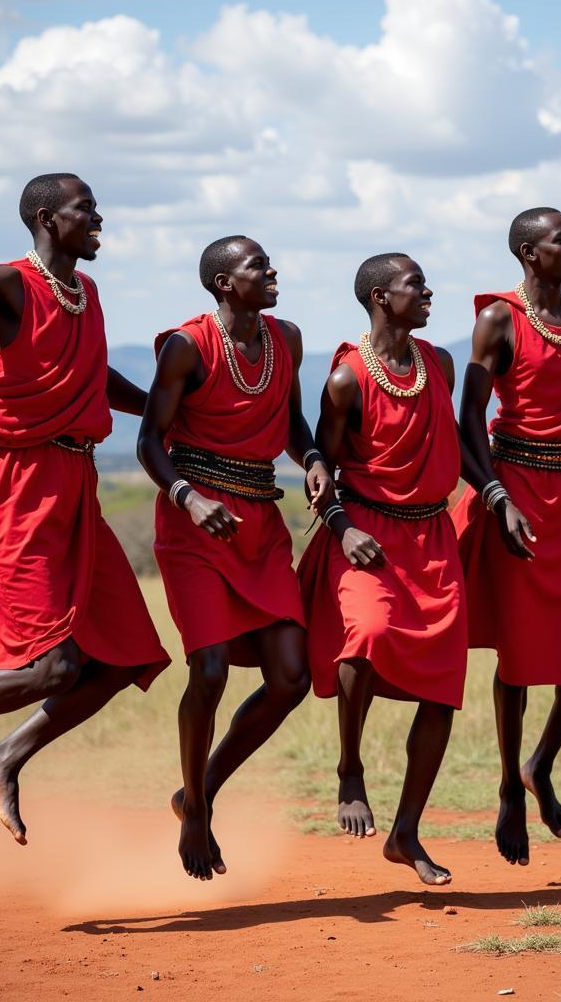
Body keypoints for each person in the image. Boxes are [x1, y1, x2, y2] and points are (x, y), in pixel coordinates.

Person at [0, 138, 170, 845]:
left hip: (76, 483)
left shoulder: (87, 292)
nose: (99, 219)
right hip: (13, 485)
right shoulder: (8, 284)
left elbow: (96, 376)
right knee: (53, 663)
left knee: (126, 656)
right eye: (88, 209)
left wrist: (170, 412)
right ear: (49, 219)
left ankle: (2, 757)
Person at [138, 235, 333, 881]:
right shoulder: (187, 346)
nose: (272, 271)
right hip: (196, 523)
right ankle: (196, 811)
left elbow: (293, 423)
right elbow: (147, 443)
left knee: (290, 678)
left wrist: (312, 460)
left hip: (260, 522)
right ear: (224, 283)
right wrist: (189, 499)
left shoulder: (289, 339)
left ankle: (197, 792)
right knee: (212, 670)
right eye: (257, 266)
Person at [451, 207, 561, 867]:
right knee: (518, 656)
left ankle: (540, 763)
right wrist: (495, 498)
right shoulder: (499, 320)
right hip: (519, 492)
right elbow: (469, 416)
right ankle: (507, 791)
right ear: (528, 252)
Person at [297, 253, 466, 886]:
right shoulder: (345, 379)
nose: (428, 292)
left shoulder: (440, 364)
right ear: (378, 297)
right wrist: (345, 531)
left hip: (434, 537)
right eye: (414, 285)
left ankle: (406, 833)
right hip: (368, 532)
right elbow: (324, 472)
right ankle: (350, 768)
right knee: (363, 638)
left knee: (443, 688)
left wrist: (498, 498)